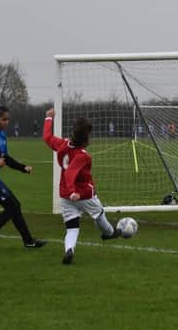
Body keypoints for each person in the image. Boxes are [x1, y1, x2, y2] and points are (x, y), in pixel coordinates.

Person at [42, 108, 121, 264]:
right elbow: (70, 172)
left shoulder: (62, 145)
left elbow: (47, 137)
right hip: (83, 194)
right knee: (98, 213)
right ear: (88, 135)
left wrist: (49, 119)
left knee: (72, 227)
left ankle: (69, 249)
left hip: (64, 195)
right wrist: (73, 191)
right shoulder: (83, 155)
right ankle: (109, 233)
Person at [0, 104, 46, 252]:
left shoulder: (1, 135)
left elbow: (5, 157)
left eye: (8, 119)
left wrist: (22, 168)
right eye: (4, 119)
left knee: (14, 206)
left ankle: (28, 241)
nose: (7, 122)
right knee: (13, 207)